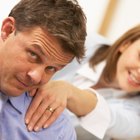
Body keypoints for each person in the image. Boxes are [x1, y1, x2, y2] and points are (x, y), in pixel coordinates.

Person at [25, 25, 140, 140]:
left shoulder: (136, 113)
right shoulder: (83, 43)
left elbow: (115, 121)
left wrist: (69, 92)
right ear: (126, 44)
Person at [0, 0, 87, 139]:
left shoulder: (58, 130)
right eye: (33, 55)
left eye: (51, 68)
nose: (36, 76)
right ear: (8, 30)